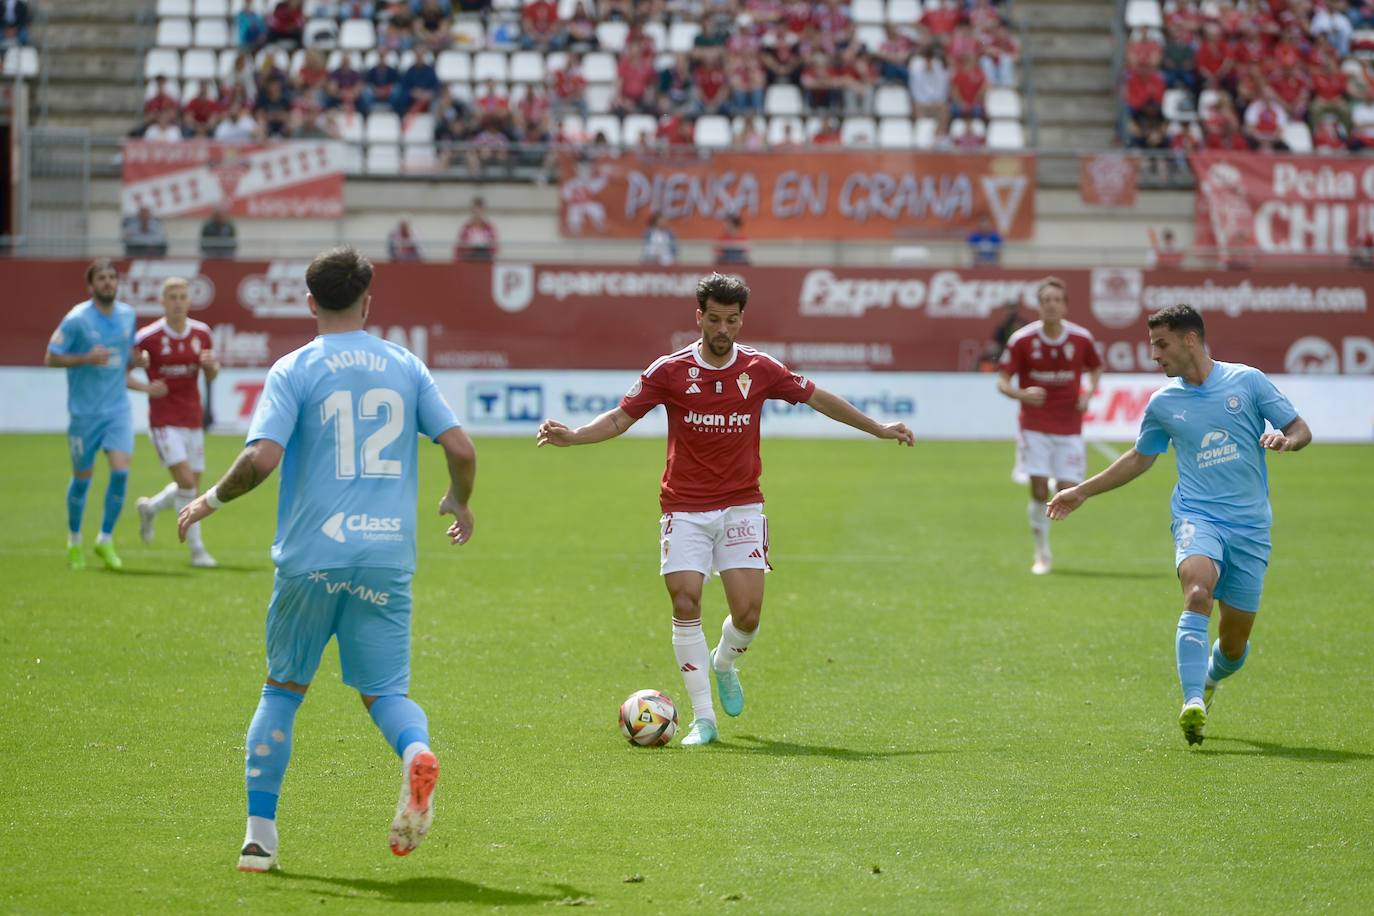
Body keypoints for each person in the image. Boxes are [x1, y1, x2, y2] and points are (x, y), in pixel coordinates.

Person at [176, 247, 478, 871]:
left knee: (282, 690)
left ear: (309, 302)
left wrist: (208, 500)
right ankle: (415, 752)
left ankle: (260, 839)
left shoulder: (294, 369)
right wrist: (458, 499)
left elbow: (261, 459)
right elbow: (461, 447)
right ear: (369, 302)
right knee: (386, 691)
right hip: (386, 557)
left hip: (314, 556)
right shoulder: (405, 365)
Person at [536, 273, 914, 746]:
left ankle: (724, 662)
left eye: (730, 320)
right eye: (713, 319)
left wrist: (877, 427)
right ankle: (703, 720)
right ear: (699, 317)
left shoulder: (760, 368)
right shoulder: (669, 371)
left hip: (741, 507)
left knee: (749, 615)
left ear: (741, 320)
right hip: (685, 506)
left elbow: (818, 398)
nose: (721, 329)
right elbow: (619, 417)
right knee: (685, 601)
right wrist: (573, 436)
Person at [1047, 304, 1311, 746]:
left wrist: (1287, 439)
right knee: (1196, 591)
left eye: (1161, 344)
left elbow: (1300, 427)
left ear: (1191, 340)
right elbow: (1139, 457)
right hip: (1197, 516)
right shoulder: (1163, 403)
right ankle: (1191, 702)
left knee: (1233, 645)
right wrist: (1081, 490)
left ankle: (1208, 680)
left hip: (1250, 527)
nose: (1154, 355)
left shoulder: (1247, 382)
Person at [44, 259, 150, 571]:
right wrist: (86, 358)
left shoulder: (127, 315)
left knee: (120, 472)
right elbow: (51, 357)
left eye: (111, 277)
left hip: (117, 409)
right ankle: (74, 540)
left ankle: (105, 539)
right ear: (91, 286)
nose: (107, 283)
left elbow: (127, 353)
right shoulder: (77, 319)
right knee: (82, 478)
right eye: (101, 278)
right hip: (84, 413)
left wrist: (137, 360)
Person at [995, 277, 1102, 575]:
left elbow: (1095, 368)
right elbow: (1001, 382)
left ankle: (1058, 478)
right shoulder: (1022, 341)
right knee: (1039, 488)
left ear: (1065, 306)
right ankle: (1042, 554)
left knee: (1069, 492)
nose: (1051, 305)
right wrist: (1021, 394)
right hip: (1034, 425)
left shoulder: (1081, 339)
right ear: (1039, 306)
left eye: (1057, 300)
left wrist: (1088, 392)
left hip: (1069, 426)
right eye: (1046, 301)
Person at [131, 278, 220, 568]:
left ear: (189, 301)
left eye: (183, 296)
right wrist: (146, 388)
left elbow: (211, 375)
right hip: (164, 420)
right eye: (172, 297)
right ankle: (197, 550)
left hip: (192, 417)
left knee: (191, 486)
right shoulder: (148, 337)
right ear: (162, 301)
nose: (178, 302)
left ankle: (150, 508)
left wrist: (211, 368)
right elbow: (123, 372)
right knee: (186, 483)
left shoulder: (202, 333)